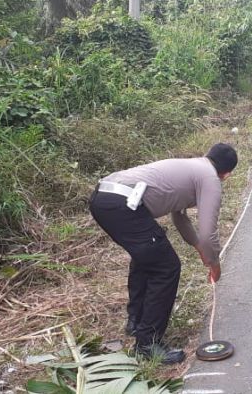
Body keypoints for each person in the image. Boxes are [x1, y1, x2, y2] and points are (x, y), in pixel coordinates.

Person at [89, 143, 238, 364]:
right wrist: (214, 262)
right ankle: (147, 343)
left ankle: (136, 322)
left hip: (103, 197)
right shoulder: (210, 179)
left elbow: (179, 217)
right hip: (124, 205)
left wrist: (200, 249)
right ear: (226, 174)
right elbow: (208, 232)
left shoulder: (192, 167)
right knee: (166, 267)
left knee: (148, 258)